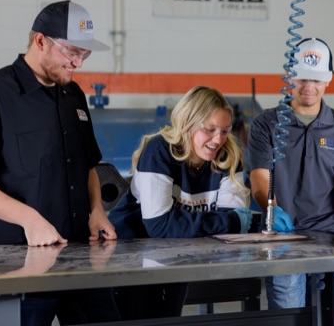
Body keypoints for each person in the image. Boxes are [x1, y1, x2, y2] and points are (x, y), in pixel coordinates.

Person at [0, 0, 120, 325]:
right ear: (40, 41)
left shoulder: (73, 96)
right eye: (71, 52)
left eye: (84, 55)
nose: (78, 63)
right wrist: (29, 219)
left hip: (79, 256)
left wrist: (96, 211)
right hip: (17, 261)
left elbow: (88, 167)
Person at [107, 85, 252, 319]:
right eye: (210, 129)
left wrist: (228, 223)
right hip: (129, 255)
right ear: (188, 123)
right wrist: (227, 223)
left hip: (177, 251)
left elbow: (235, 224)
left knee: (168, 318)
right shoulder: (159, 151)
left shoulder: (227, 157)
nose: (218, 140)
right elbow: (159, 225)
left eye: (224, 131)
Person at [248, 37, 334, 324]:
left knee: (327, 320)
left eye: (317, 79)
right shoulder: (267, 124)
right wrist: (273, 209)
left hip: (331, 241)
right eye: (301, 78)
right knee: (288, 320)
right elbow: (260, 177)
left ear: (329, 80)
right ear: (288, 76)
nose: (309, 86)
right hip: (283, 241)